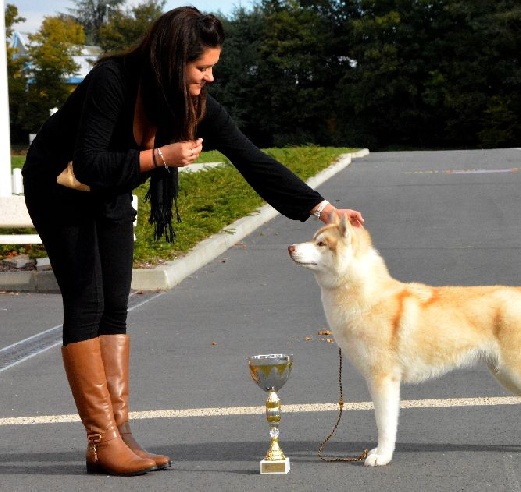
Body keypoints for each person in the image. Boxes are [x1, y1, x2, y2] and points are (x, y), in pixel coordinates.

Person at [22, 7, 364, 476]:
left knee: (114, 305)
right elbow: (88, 164)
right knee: (87, 300)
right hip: (59, 186)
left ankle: (119, 435)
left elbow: (251, 159)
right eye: (202, 67)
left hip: (110, 189)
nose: (210, 77)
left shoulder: (192, 104)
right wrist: (160, 156)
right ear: (170, 60)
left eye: (212, 67)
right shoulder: (113, 81)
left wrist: (324, 209)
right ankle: (101, 440)